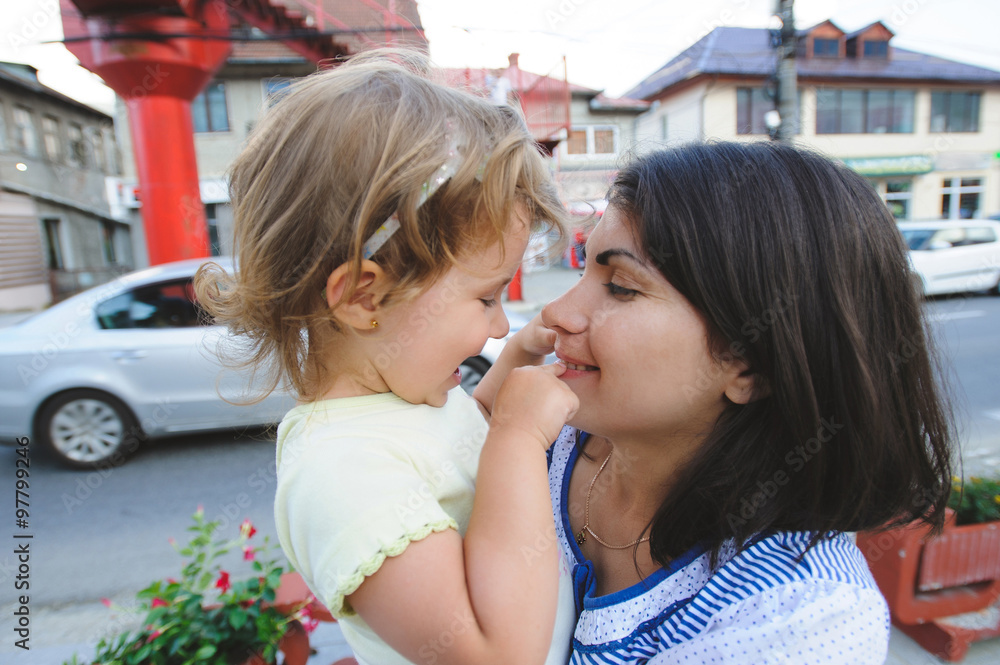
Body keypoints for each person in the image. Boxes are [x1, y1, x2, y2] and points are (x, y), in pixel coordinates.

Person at [479, 141, 955, 664]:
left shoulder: (797, 617)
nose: (556, 313)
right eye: (582, 271)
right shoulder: (550, 437)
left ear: (749, 365)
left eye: (620, 286)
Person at [194, 51, 580, 665]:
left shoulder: (397, 396)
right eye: (485, 296)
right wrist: (519, 435)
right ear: (363, 296)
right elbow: (498, 655)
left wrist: (514, 370)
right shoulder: (341, 476)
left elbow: (456, 454)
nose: (501, 325)